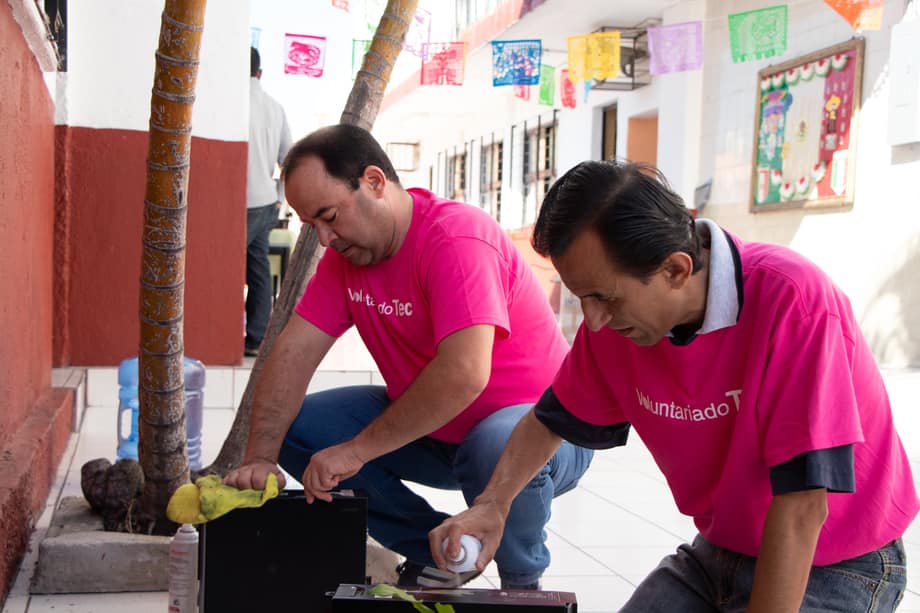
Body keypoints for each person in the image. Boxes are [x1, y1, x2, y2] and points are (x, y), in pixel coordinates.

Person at [430, 159, 918, 611]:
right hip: (720, 550)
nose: (594, 321)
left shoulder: (794, 302)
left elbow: (803, 507)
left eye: (604, 298)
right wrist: (491, 506)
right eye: (584, 299)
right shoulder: (619, 324)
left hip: (837, 561)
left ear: (676, 269)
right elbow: (548, 421)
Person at [224, 124, 593, 590]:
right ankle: (441, 553)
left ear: (375, 182)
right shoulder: (347, 259)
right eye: (310, 225)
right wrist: (260, 456)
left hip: (541, 437)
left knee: (495, 442)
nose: (324, 239)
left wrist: (357, 451)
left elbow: (464, 375)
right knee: (301, 433)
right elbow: (293, 351)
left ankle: (523, 585)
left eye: (329, 216)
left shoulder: (457, 239)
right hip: (439, 436)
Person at [245, 47, 292, 357]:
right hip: (264, 202)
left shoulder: (226, 104)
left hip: (238, 202)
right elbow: (289, 159)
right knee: (258, 268)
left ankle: (225, 337)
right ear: (259, 73)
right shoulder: (275, 108)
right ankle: (257, 337)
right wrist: (278, 199)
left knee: (228, 267)